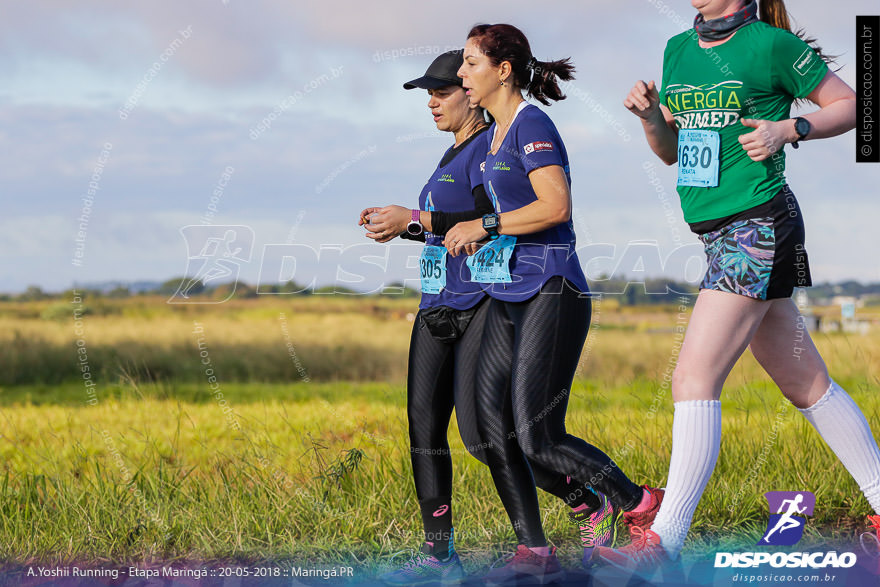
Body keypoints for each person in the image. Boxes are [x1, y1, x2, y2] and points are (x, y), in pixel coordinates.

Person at [597, 0, 880, 570]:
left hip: (756, 223)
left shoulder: (771, 45)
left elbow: (854, 104)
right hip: (717, 231)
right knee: (806, 384)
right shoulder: (678, 50)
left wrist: (788, 128)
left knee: (693, 377)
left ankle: (663, 544)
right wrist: (652, 117)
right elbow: (675, 152)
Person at [361, 50, 617, 586]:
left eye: (443, 91)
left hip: (482, 302)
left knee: (490, 436)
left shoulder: (491, 147)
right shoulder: (449, 154)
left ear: (472, 93)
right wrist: (402, 226)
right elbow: (452, 230)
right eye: (428, 94)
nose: (433, 101)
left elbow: (487, 219)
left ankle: (560, 525)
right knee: (424, 432)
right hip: (436, 303)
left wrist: (416, 217)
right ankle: (440, 555)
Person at [448, 24, 663, 585]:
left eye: (470, 64)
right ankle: (585, 510)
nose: (461, 74)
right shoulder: (492, 135)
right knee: (482, 433)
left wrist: (485, 222)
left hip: (552, 289)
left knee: (538, 433)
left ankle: (640, 504)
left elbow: (556, 206)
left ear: (503, 70)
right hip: (506, 291)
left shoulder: (532, 124)